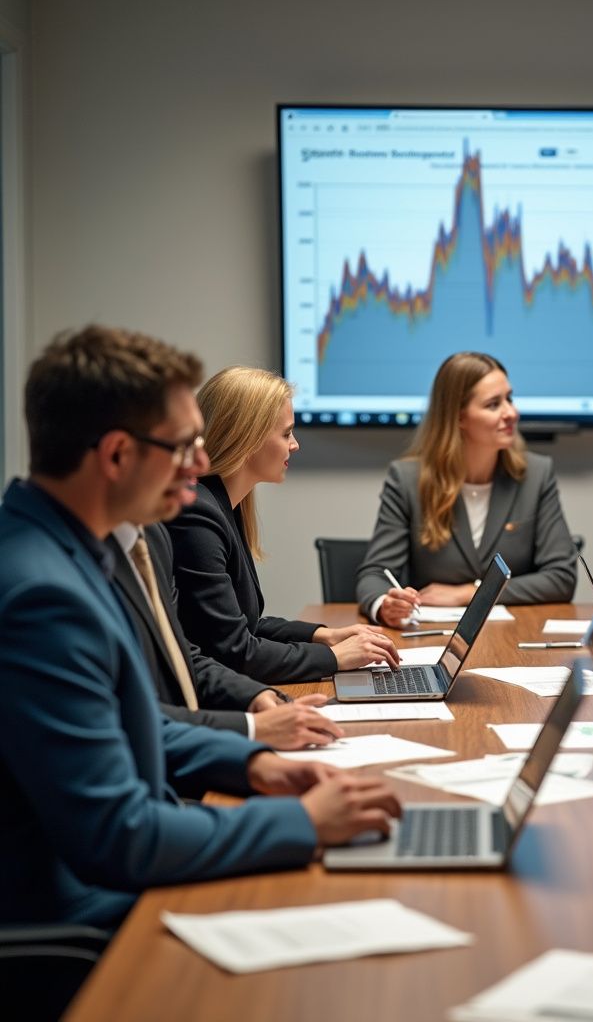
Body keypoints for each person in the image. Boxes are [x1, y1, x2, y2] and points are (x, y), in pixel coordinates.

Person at [0, 326, 400, 929]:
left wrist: (251, 763)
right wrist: (302, 821)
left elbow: (129, 728)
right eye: (184, 446)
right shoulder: (42, 595)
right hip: (76, 910)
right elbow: (119, 835)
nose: (201, 463)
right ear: (116, 455)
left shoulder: (75, 551)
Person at [166, 367, 399, 684]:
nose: (295, 445)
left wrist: (324, 635)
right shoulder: (198, 518)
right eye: (286, 433)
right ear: (247, 437)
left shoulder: (221, 505)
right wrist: (334, 658)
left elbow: (245, 625)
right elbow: (235, 651)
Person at [355, 352, 577, 626]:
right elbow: (374, 575)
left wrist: (470, 593)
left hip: (516, 636)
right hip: (430, 640)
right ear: (459, 417)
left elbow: (561, 577)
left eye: (509, 399)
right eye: (494, 404)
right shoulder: (407, 479)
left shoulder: (536, 474)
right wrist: (384, 605)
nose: (511, 413)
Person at [109, 521, 344, 750]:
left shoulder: (152, 534)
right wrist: (252, 728)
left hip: (187, 748)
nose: (191, 491)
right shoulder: (187, 521)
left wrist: (253, 695)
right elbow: (125, 715)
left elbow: (182, 656)